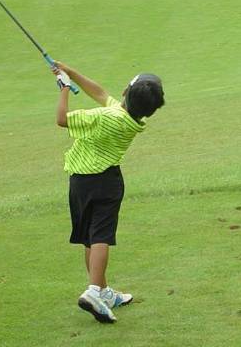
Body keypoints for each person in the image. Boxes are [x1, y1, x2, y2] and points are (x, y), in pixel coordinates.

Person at [53, 62, 165, 324]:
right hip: (105, 181)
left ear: (126, 90)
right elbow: (101, 93)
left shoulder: (107, 117)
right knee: (96, 235)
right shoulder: (130, 118)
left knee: (95, 237)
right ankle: (101, 291)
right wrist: (71, 72)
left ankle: (94, 291)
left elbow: (61, 119)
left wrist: (64, 89)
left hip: (81, 181)